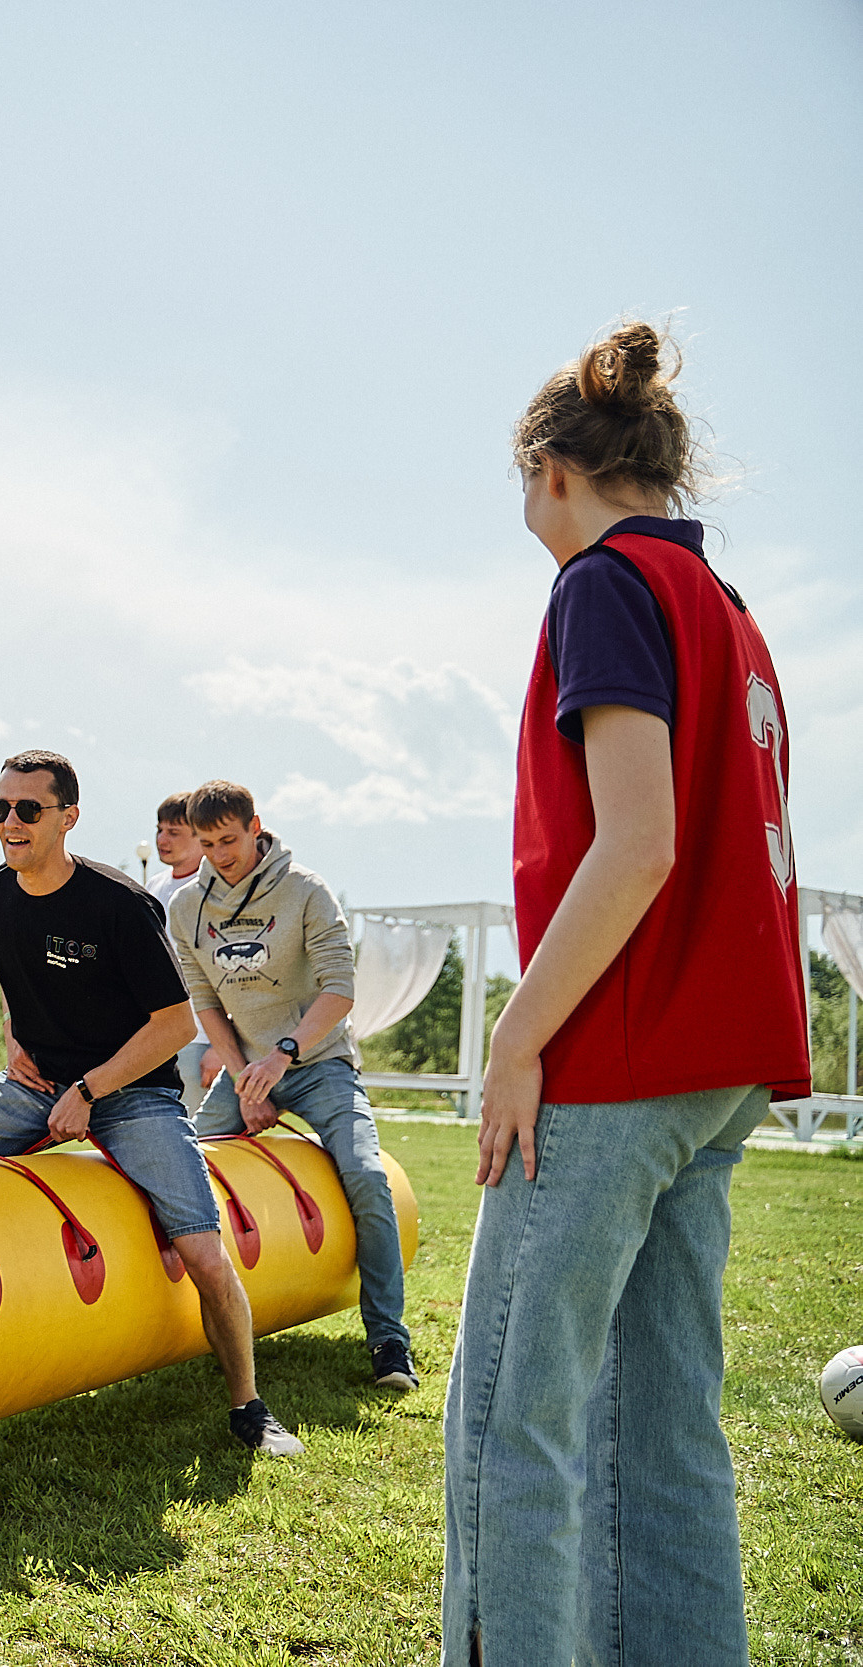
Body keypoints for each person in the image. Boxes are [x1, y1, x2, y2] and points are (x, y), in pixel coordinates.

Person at [440, 322, 809, 1666]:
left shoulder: (603, 581)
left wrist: (517, 1031)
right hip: (720, 1066)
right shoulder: (738, 614)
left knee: (508, 1425)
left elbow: (638, 838)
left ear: (551, 471)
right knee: (660, 1426)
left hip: (614, 1056)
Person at [0, 749, 304, 1458]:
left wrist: (91, 1088)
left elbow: (176, 1023)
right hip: (36, 1086)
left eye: (28, 810)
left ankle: (250, 1408)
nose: (11, 822)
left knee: (201, 1244)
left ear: (67, 817)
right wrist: (16, 1036)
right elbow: (15, 975)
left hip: (132, 1094)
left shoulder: (118, 904)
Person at [168, 779, 414, 1391]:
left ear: (256, 827)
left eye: (229, 839)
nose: (220, 854)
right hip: (246, 1069)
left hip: (319, 1062)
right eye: (207, 843)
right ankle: (195, 1324)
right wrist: (244, 1076)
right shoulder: (185, 908)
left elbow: (340, 989)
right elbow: (206, 1002)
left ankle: (389, 1340)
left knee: (366, 1174)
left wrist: (281, 1059)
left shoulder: (306, 891)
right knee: (186, 1178)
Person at [149, 793, 217, 1109]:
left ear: (199, 836)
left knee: (200, 1141)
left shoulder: (214, 888)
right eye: (159, 830)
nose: (162, 839)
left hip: (202, 1041)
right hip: (158, 1039)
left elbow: (228, 970)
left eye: (173, 832)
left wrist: (220, 1048)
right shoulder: (153, 886)